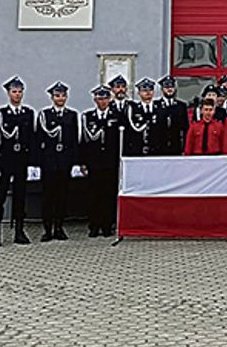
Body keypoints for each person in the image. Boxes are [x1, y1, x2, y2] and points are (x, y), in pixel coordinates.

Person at [0, 75, 35, 247]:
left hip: (21, 161)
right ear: (8, 93)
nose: (17, 95)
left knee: (20, 198)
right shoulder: (0, 114)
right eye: (14, 92)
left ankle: (19, 232)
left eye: (20, 92)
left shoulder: (28, 113)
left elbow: (31, 140)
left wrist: (32, 163)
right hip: (4, 161)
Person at [37, 82, 80, 242]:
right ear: (52, 97)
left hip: (65, 162)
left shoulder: (72, 115)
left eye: (63, 95)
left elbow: (75, 139)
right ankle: (47, 229)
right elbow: (39, 139)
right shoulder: (45, 115)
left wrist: (76, 162)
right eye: (57, 95)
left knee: (62, 196)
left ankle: (59, 227)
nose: (60, 98)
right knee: (48, 196)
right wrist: (35, 163)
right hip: (48, 162)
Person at [80, 85, 123, 238]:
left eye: (105, 98)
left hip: (110, 162)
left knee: (109, 194)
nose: (103, 101)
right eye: (99, 98)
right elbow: (84, 141)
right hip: (94, 162)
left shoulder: (117, 116)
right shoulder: (88, 116)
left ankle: (107, 225)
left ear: (109, 99)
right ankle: (94, 225)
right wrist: (83, 162)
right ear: (95, 100)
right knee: (93, 194)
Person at [123, 77, 160, 157]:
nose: (148, 93)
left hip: (156, 150)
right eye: (144, 91)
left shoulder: (160, 108)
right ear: (139, 93)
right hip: (136, 150)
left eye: (150, 90)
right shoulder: (133, 109)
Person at [155, 75, 188, 155]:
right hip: (159, 147)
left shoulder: (181, 106)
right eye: (166, 87)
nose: (169, 89)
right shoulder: (156, 105)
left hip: (176, 146)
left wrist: (184, 147)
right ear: (162, 89)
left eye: (171, 87)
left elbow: (185, 128)